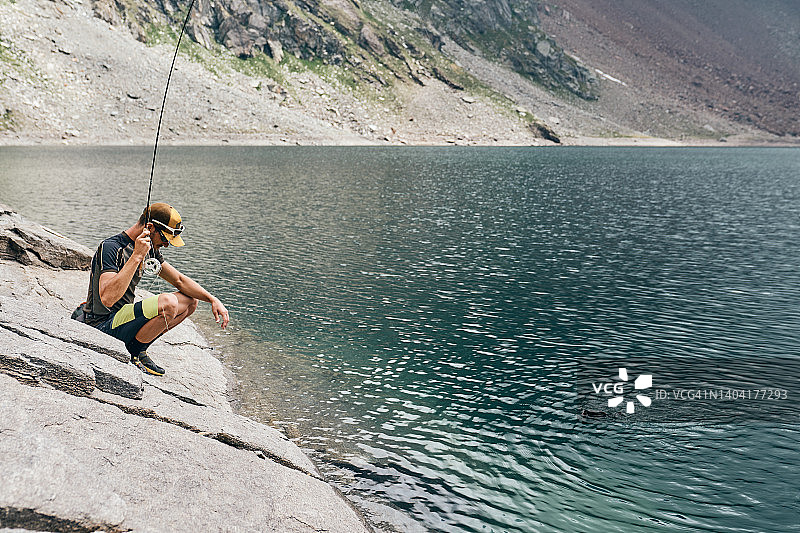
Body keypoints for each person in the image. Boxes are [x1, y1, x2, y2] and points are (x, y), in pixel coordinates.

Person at [82, 202, 229, 376]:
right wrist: (137, 256)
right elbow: (107, 298)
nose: (166, 245)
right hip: (101, 326)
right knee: (168, 303)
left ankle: (139, 348)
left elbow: (179, 280)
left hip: (124, 320)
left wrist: (212, 299)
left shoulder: (149, 248)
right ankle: (134, 353)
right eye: (165, 239)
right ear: (150, 227)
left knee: (190, 301)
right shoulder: (110, 248)